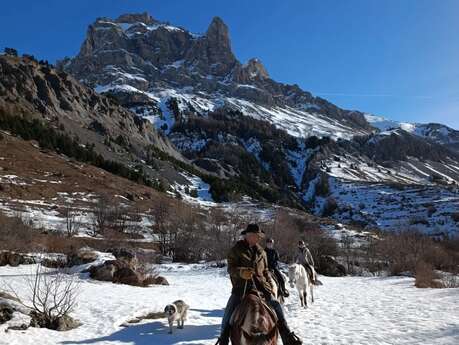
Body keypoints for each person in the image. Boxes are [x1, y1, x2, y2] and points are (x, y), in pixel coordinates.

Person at [216, 224, 302, 345]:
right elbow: (230, 269)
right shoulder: (236, 250)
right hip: (242, 287)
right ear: (248, 235)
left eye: (259, 236)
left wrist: (269, 283)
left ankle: (286, 335)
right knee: (230, 309)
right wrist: (241, 272)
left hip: (261, 287)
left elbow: (265, 270)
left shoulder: (262, 252)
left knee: (276, 305)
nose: (259, 238)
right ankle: (223, 338)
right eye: (257, 236)